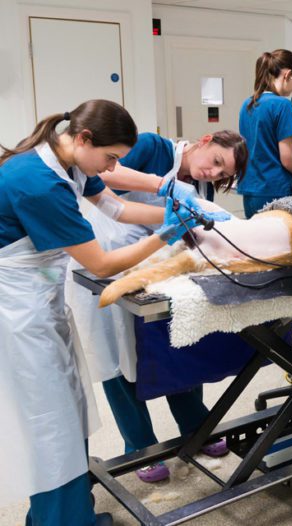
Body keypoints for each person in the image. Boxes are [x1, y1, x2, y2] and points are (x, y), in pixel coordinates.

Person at [0, 100, 203, 526]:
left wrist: (182, 212)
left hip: (37, 298)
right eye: (110, 158)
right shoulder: (39, 181)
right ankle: (62, 521)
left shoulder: (69, 159)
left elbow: (117, 207)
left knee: (66, 409)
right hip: (17, 310)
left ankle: (63, 514)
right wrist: (167, 234)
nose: (112, 167)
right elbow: (103, 266)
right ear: (84, 138)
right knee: (49, 419)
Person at [65, 131, 248, 483]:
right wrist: (161, 187)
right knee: (117, 359)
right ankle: (140, 446)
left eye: (222, 175)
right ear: (205, 139)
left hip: (154, 268)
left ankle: (196, 425)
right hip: (104, 259)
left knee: (176, 341)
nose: (213, 173)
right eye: (216, 162)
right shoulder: (152, 148)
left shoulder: (197, 184)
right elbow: (100, 177)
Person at [238, 49, 292, 218]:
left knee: (255, 240)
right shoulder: (282, 105)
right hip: (274, 189)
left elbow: (258, 140)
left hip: (251, 188)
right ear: (287, 75)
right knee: (276, 243)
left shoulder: (248, 104)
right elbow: (287, 159)